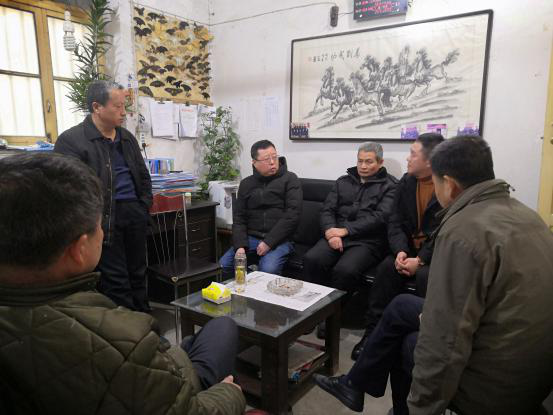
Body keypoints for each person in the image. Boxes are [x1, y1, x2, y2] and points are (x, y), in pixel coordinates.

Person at [313, 136, 553, 415]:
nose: (407, 159)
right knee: (401, 304)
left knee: (406, 342)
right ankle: (355, 384)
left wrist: (423, 407)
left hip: (499, 380)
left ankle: (401, 410)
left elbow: (447, 335)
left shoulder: (464, 231)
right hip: (535, 366)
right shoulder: (527, 215)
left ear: (448, 184)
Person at [0, 152, 246, 415]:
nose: (102, 232)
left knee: (192, 340)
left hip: (147, 371)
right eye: (100, 225)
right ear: (79, 249)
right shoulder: (124, 340)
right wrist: (230, 393)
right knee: (223, 327)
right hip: (165, 388)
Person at [54, 80, 153, 312]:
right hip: (102, 219)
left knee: (139, 274)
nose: (123, 112)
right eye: (117, 106)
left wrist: (143, 206)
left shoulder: (126, 137)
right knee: (116, 280)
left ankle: (146, 323)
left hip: (133, 214)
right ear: (97, 107)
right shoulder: (72, 140)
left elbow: (143, 176)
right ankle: (126, 329)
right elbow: (69, 190)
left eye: (124, 106)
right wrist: (92, 221)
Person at [352, 133, 444, 360]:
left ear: (429, 161)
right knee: (386, 269)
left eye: (413, 154)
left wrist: (420, 260)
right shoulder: (407, 181)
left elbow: (445, 230)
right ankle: (372, 334)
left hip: (435, 256)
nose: (407, 158)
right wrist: (401, 250)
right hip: (407, 250)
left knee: (425, 277)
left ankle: (418, 340)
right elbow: (395, 221)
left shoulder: (447, 186)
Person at [303, 142, 397, 294]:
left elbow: (380, 217)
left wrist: (346, 230)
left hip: (367, 241)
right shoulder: (343, 181)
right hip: (336, 234)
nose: (363, 166)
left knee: (345, 270)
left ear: (380, 162)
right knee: (312, 259)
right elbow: (327, 209)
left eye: (369, 162)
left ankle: (337, 308)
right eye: (360, 161)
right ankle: (312, 304)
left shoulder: (390, 186)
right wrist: (330, 232)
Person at [220, 140, 302, 277]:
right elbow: (239, 217)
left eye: (274, 157)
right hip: (251, 238)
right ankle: (249, 285)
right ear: (254, 162)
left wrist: (268, 242)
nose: (272, 162)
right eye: (266, 159)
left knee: (268, 270)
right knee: (224, 265)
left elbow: (292, 216)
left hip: (280, 240)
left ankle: (258, 284)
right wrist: (240, 245)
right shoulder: (246, 184)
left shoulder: (290, 179)